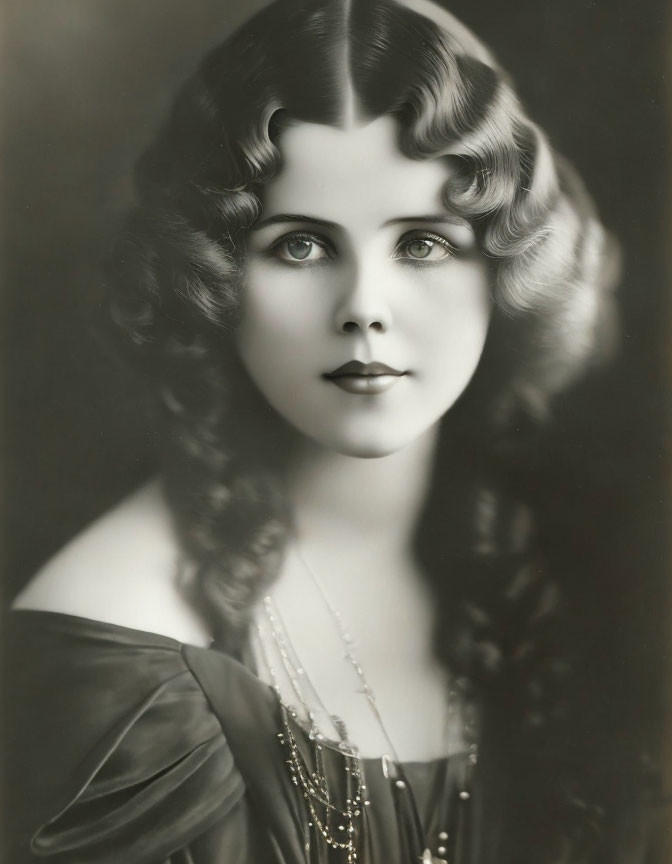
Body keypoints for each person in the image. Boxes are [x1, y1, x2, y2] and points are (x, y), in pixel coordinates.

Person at [5, 1, 667, 862]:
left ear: (501, 265)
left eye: (423, 243)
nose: (364, 308)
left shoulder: (580, 574)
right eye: (302, 247)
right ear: (217, 273)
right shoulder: (115, 661)